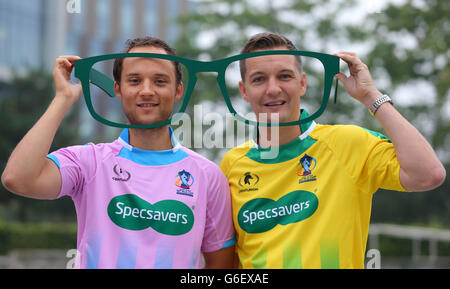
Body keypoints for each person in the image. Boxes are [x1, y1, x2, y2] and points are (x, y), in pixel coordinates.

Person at [2, 37, 236, 269]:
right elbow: (18, 179)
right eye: (134, 81)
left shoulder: (208, 175)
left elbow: (222, 265)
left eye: (160, 81)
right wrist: (63, 98)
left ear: (178, 90)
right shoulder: (89, 162)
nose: (146, 91)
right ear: (118, 89)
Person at [219, 32, 446, 269]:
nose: (273, 88)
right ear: (244, 91)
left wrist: (371, 96)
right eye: (259, 79)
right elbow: (230, 259)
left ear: (302, 83)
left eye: (284, 76)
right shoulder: (231, 165)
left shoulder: (348, 143)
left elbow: (428, 174)